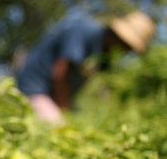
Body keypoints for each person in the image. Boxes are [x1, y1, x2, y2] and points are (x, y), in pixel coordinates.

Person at [15, 11, 156, 124]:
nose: (126, 52)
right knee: (60, 128)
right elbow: (60, 72)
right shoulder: (82, 32)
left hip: (57, 96)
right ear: (118, 36)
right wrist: (65, 109)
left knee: (80, 125)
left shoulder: (105, 56)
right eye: (127, 46)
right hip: (35, 88)